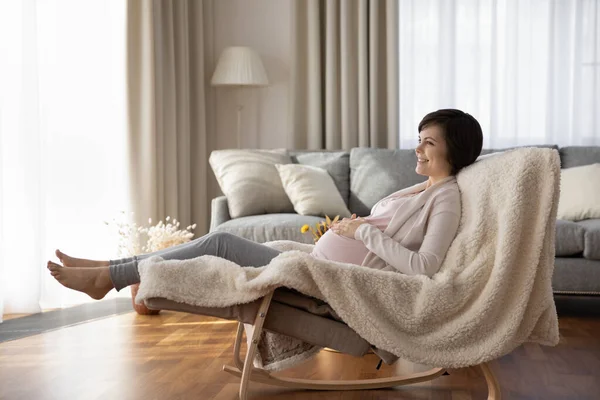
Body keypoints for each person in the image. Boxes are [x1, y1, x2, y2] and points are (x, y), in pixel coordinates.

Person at [48, 109, 483, 300]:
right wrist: (355, 226)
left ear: (454, 149)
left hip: (331, 282)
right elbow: (387, 230)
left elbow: (424, 267)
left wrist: (361, 232)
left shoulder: (445, 198)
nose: (417, 150)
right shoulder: (422, 190)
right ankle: (109, 271)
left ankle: (110, 275)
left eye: (428, 143)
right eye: (419, 140)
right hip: (322, 262)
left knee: (220, 243)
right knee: (221, 243)